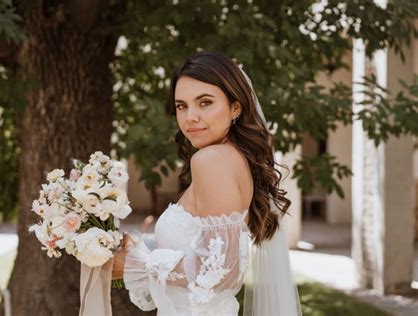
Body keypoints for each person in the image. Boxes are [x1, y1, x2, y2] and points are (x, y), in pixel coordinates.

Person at [111, 50, 302, 315]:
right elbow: (205, 250)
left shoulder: (211, 160)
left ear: (235, 107)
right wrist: (145, 248)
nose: (190, 117)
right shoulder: (235, 158)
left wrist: (135, 263)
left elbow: (221, 270)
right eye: (181, 106)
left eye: (204, 103)